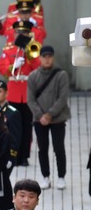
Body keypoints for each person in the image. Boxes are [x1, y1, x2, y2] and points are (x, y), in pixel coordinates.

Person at [0, 20, 41, 166]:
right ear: (14, 33)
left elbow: (39, 68)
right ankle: (12, 154)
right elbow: (2, 69)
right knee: (12, 126)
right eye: (18, 32)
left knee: (27, 126)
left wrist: (29, 58)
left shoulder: (33, 49)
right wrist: (13, 66)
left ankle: (24, 156)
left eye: (24, 32)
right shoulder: (9, 50)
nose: (21, 34)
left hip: (28, 91)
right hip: (13, 92)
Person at [27, 45, 71, 190]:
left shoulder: (61, 75)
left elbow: (62, 98)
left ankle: (61, 176)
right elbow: (30, 99)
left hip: (57, 118)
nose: (47, 59)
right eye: (44, 57)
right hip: (39, 120)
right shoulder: (33, 76)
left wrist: (49, 114)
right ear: (40, 58)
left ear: (53, 57)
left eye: (49, 56)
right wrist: (40, 115)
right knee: (42, 148)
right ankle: (45, 176)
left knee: (59, 148)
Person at [0, 79, 21, 168]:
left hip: (4, 156)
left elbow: (15, 139)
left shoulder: (13, 113)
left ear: (6, 93)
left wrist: (11, 158)